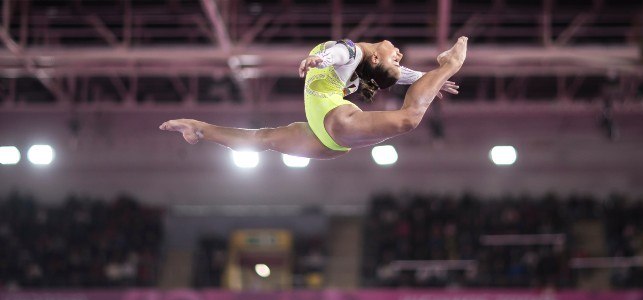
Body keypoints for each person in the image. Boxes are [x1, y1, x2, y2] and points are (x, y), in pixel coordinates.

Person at [160, 36, 468, 159]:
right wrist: (432, 78)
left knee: (263, 139)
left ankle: (200, 129)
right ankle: (449, 64)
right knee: (409, 119)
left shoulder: (355, 55)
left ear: (376, 60)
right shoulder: (354, 56)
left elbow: (337, 54)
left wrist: (432, 78)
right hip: (330, 134)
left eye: (395, 60)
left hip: (329, 134)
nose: (399, 55)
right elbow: (338, 54)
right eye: (398, 59)